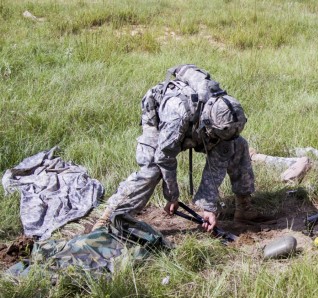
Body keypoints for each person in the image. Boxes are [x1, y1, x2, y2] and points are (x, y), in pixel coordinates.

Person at [95, 78, 268, 233]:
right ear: (208, 123)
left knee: (236, 145)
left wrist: (208, 208)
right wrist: (172, 197)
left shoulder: (224, 111)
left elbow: (217, 164)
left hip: (199, 126)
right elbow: (164, 156)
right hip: (160, 119)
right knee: (152, 169)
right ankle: (112, 216)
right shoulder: (177, 115)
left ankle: (244, 208)